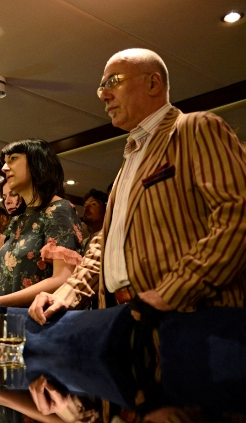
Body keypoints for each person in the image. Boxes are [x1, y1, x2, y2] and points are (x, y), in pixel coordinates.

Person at [30, 48, 246, 325]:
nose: (103, 95)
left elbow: (238, 215)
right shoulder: (131, 157)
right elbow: (106, 244)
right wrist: (65, 294)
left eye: (113, 82)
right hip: (126, 317)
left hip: (193, 318)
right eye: (101, 87)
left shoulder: (195, 127)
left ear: (153, 83)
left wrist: (173, 291)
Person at [0, 139, 83, 320]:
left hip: (33, 323)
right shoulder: (18, 219)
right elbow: (3, 283)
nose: (4, 168)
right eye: (5, 162)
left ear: (37, 162)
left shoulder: (59, 209)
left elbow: (63, 279)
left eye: (13, 159)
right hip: (3, 321)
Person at [81, 189, 107, 253]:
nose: (86, 208)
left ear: (105, 210)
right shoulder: (83, 243)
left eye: (93, 204)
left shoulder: (108, 240)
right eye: (85, 205)